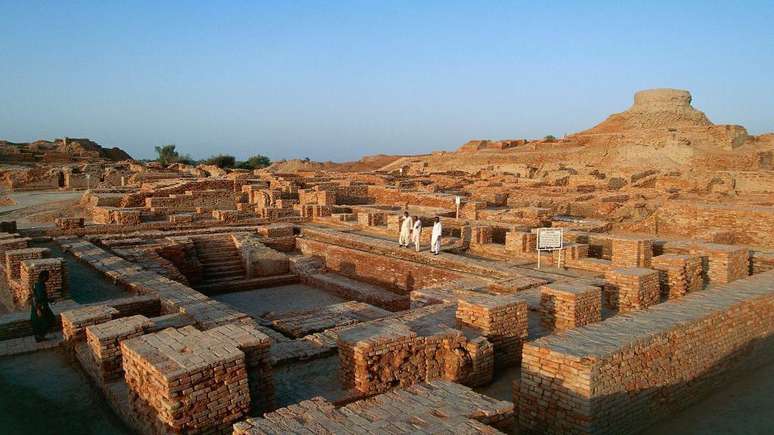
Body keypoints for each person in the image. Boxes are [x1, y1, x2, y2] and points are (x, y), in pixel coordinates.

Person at [31, 270, 56, 342]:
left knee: (44, 321)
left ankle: (40, 336)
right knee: (48, 321)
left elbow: (41, 297)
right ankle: (39, 337)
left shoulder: (38, 284)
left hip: (42, 306)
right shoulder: (40, 286)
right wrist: (37, 309)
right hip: (40, 307)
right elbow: (36, 298)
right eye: (48, 276)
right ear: (44, 277)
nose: (48, 278)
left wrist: (49, 300)